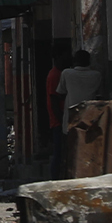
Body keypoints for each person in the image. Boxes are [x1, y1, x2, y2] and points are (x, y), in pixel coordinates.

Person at [45, 45, 70, 178]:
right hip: (59, 120)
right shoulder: (56, 75)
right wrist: (61, 119)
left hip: (59, 118)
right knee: (59, 152)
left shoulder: (59, 73)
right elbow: (54, 99)